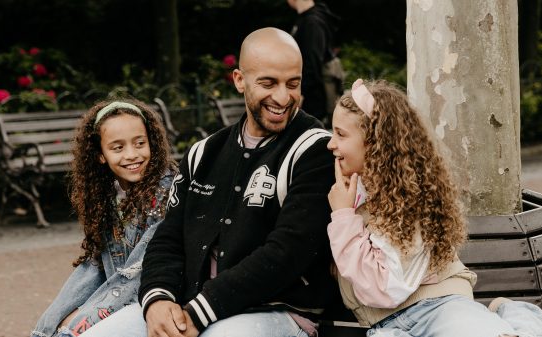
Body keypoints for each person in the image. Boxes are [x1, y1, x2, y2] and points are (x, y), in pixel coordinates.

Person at [86, 27, 338, 337]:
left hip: (276, 310)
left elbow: (287, 253)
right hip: (191, 305)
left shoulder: (316, 150)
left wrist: (198, 312)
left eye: (293, 84)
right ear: (239, 80)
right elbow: (169, 238)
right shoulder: (203, 153)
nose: (283, 97)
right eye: (268, 83)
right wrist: (158, 300)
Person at [326, 78, 542, 336]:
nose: (330, 144)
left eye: (340, 134)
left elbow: (382, 288)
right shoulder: (352, 190)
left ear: (374, 142)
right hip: (386, 326)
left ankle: (515, 317)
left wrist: (344, 217)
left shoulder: (407, 199)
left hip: (440, 308)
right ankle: (513, 318)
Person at [30, 98, 176, 337]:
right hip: (119, 296)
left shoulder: (165, 193)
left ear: (153, 143)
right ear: (100, 155)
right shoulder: (107, 195)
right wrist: (54, 321)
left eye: (140, 143)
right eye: (118, 148)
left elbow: (138, 270)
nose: (132, 155)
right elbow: (96, 264)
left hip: (154, 299)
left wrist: (83, 318)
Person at [287, 0, 343, 125]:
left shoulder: (312, 22)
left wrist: (302, 93)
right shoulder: (308, 18)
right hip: (310, 92)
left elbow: (312, 62)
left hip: (313, 96)